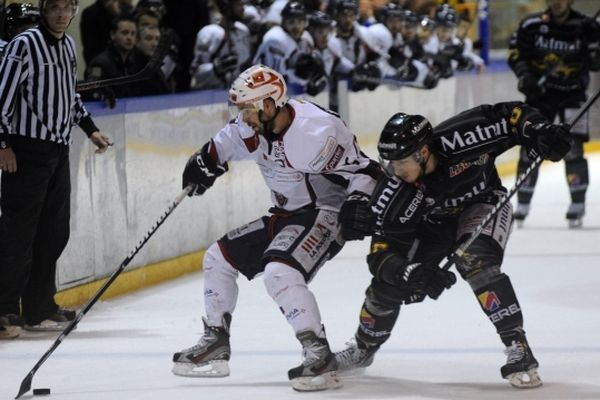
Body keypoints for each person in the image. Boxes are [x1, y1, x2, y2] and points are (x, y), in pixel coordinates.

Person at [171, 64, 381, 391]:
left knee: (279, 272)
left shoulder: (316, 131)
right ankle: (216, 341)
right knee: (217, 258)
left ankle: (318, 352)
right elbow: (222, 145)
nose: (243, 117)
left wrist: (357, 201)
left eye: (248, 110)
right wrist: (203, 161)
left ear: (270, 104)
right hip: (285, 214)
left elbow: (367, 170)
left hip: (325, 213)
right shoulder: (251, 126)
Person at [334, 102, 572, 388]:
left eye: (400, 162)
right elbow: (380, 255)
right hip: (432, 227)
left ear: (423, 152)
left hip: (482, 203)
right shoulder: (394, 191)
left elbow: (511, 117)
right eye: (390, 164)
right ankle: (363, 348)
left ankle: (517, 345)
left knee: (475, 260)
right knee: (387, 285)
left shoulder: (463, 136)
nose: (395, 171)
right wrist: (411, 272)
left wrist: (541, 131)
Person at [0, 0, 112, 340]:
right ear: (45, 10)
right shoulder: (24, 44)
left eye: (67, 8)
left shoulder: (68, 45)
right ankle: (5, 310)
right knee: (18, 234)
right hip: (25, 151)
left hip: (57, 150)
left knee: (53, 232)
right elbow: (2, 94)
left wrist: (90, 128)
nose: (62, 14)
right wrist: (3, 144)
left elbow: (69, 94)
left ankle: (39, 307)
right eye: (55, 8)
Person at [508, 0, 600, 227]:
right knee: (530, 148)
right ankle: (523, 201)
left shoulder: (586, 26)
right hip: (540, 97)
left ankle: (577, 202)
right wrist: (525, 76)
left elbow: (596, 64)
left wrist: (593, 44)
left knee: (573, 149)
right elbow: (516, 54)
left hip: (573, 95)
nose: (557, 2)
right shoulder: (531, 25)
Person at [189, 0, 252, 90]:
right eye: (239, 4)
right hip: (213, 97)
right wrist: (215, 69)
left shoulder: (243, 31)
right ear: (226, 7)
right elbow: (196, 74)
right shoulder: (210, 33)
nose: (243, 8)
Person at [84, 15, 142, 99]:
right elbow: (93, 90)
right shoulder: (99, 64)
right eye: (125, 33)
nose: (129, 37)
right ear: (112, 34)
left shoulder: (134, 62)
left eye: (133, 34)